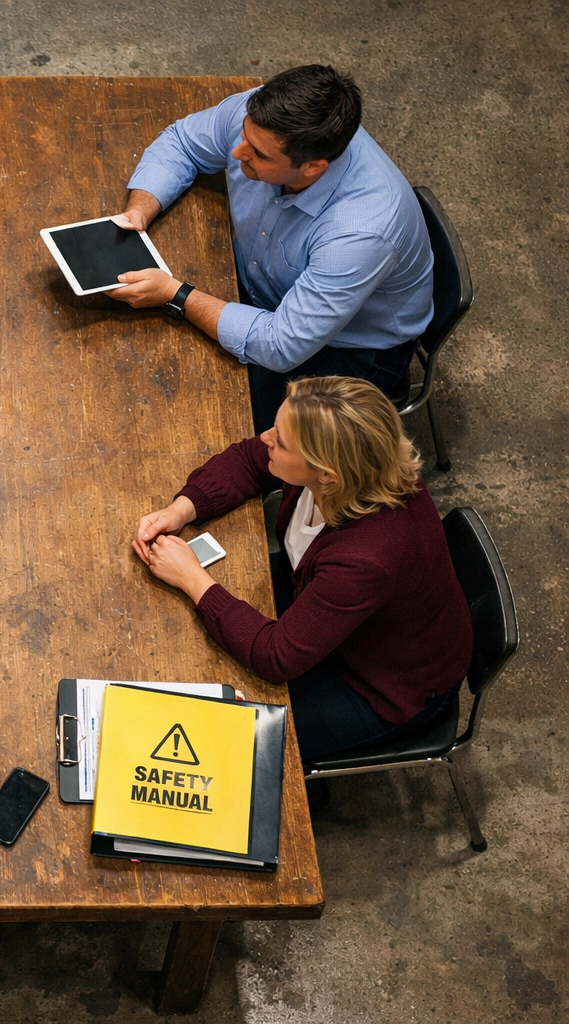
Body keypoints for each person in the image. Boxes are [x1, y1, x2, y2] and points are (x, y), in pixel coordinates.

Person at [132, 376, 472, 763]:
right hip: (327, 601)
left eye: (281, 440)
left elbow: (276, 656)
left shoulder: (366, 558)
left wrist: (193, 578)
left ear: (327, 474)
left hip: (383, 685)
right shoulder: (351, 468)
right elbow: (249, 460)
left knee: (223, 746)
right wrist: (183, 508)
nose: (265, 438)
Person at [107, 65, 434, 433]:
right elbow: (182, 142)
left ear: (313, 167)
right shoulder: (262, 119)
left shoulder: (360, 233)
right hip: (264, 287)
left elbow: (281, 344)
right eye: (243, 134)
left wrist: (176, 294)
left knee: (215, 432)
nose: (236, 151)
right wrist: (140, 209)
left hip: (350, 349)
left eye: (258, 155)